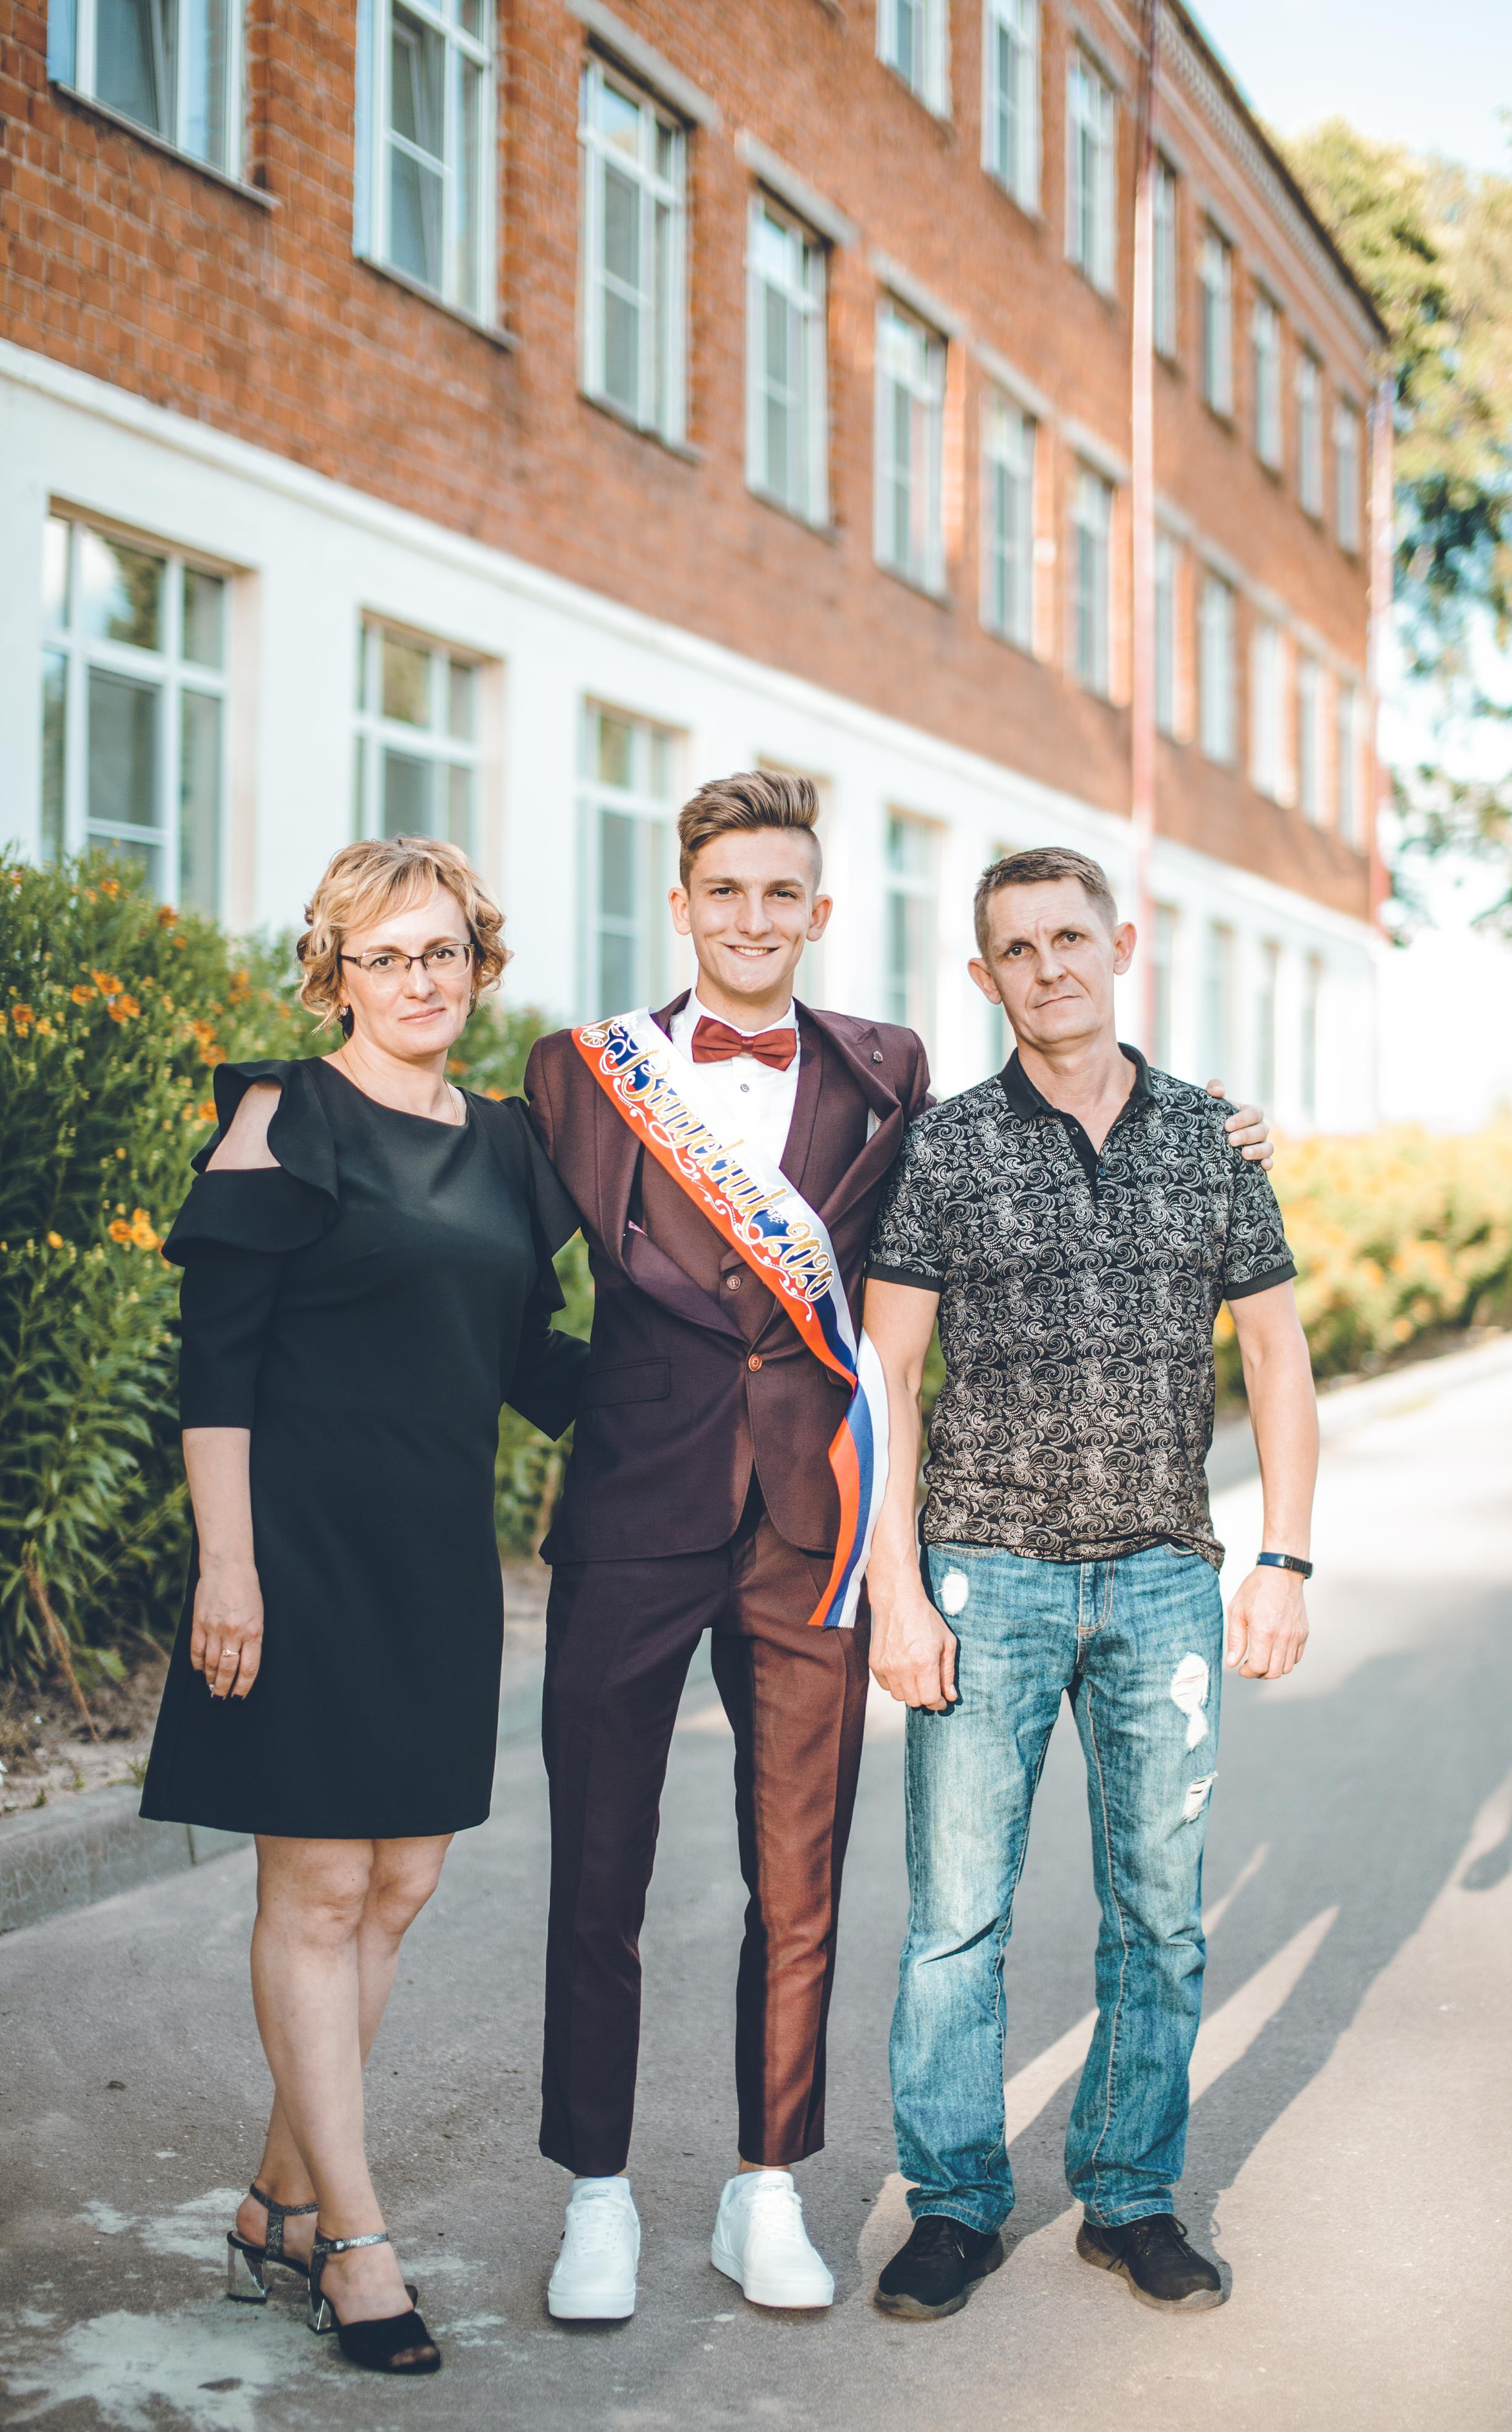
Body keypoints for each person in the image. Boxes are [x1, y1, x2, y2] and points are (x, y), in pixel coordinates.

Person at [520, 772, 1276, 2323]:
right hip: (632, 1515)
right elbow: (487, 1262)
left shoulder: (889, 1072)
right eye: (722, 892)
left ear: (819, 912)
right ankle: (593, 2193)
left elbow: (1049, 1151)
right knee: (598, 1874)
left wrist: (1234, 1130)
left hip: (818, 1530)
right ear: (680, 906)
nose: (750, 919)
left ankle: (765, 2187)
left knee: (797, 1883)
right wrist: (587, 1406)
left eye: (779, 894)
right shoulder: (579, 1075)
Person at [141, 837, 586, 2378]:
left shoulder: (516, 1143)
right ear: (334, 968)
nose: (419, 980)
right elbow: (219, 1365)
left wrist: (729, 1394)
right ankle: (355, 2242)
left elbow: (538, 1363)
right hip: (299, 1553)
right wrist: (230, 1564)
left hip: (436, 1564)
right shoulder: (284, 1118)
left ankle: (275, 2199)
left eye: (444, 952)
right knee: (318, 1890)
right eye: (387, 955)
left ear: (479, 965)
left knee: (398, 1887)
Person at [863, 845, 1318, 2324]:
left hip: (1164, 1588)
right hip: (981, 1582)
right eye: (1015, 947)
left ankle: (1127, 2198)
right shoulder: (942, 1148)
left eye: (1070, 936)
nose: (1047, 965)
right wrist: (897, 1590)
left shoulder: (1209, 1142)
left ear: (1118, 945)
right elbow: (887, 1383)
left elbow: (1273, 1362)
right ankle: (952, 2206)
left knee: (1160, 1914)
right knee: (954, 1921)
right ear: (981, 974)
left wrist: (1284, 1561)